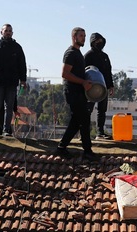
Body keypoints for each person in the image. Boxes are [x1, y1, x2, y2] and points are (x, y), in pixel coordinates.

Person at [56, 27, 100, 161]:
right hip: (73, 92)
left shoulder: (78, 53)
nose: (84, 38)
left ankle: (62, 148)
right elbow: (65, 74)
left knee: (77, 122)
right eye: (81, 36)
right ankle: (87, 151)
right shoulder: (70, 53)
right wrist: (83, 82)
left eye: (85, 36)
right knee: (84, 120)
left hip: (79, 92)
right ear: (74, 37)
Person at [0, 24, 27, 136]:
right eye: (6, 30)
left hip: (12, 82)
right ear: (1, 32)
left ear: (12, 33)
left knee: (9, 108)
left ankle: (6, 130)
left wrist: (23, 80)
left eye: (10, 31)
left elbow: (22, 64)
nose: (8, 32)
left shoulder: (17, 47)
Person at [84, 32, 114, 140]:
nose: (99, 43)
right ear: (92, 42)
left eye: (101, 41)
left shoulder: (105, 56)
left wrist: (111, 85)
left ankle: (100, 132)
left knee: (102, 110)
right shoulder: (88, 55)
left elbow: (108, 72)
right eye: (97, 41)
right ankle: (85, 132)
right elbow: (83, 71)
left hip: (104, 87)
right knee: (88, 110)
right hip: (91, 88)